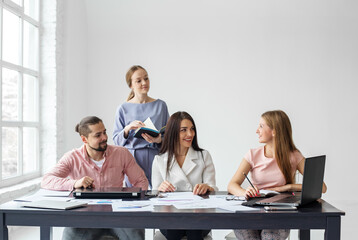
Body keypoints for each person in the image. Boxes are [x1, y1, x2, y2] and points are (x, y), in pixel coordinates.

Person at [41, 116, 148, 240]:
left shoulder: (122, 153)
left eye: (104, 132)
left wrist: (133, 204)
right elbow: (47, 180)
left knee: (136, 234)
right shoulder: (72, 157)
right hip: (85, 217)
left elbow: (141, 180)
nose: (104, 138)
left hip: (118, 214)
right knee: (69, 236)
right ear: (84, 139)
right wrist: (75, 183)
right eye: (98, 135)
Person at [227, 110, 327, 240]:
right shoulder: (252, 154)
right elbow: (232, 185)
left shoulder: (294, 156)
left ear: (274, 131)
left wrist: (288, 187)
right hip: (252, 211)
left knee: (269, 237)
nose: (257, 131)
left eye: (261, 126)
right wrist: (244, 192)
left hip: (279, 212)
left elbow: (322, 187)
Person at [152, 111, 218, 240]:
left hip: (199, 215)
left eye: (192, 129)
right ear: (173, 133)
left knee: (193, 226)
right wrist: (160, 189)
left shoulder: (204, 156)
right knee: (174, 226)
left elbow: (214, 188)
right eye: (184, 130)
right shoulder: (159, 160)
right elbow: (154, 197)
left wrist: (207, 188)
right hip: (170, 216)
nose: (190, 134)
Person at [113, 65, 169, 188]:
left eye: (146, 78)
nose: (144, 83)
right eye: (138, 81)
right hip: (132, 158)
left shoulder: (161, 105)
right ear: (131, 85)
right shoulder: (123, 108)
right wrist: (127, 129)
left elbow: (169, 137)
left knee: (158, 192)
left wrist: (159, 140)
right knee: (135, 195)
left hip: (156, 155)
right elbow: (116, 141)